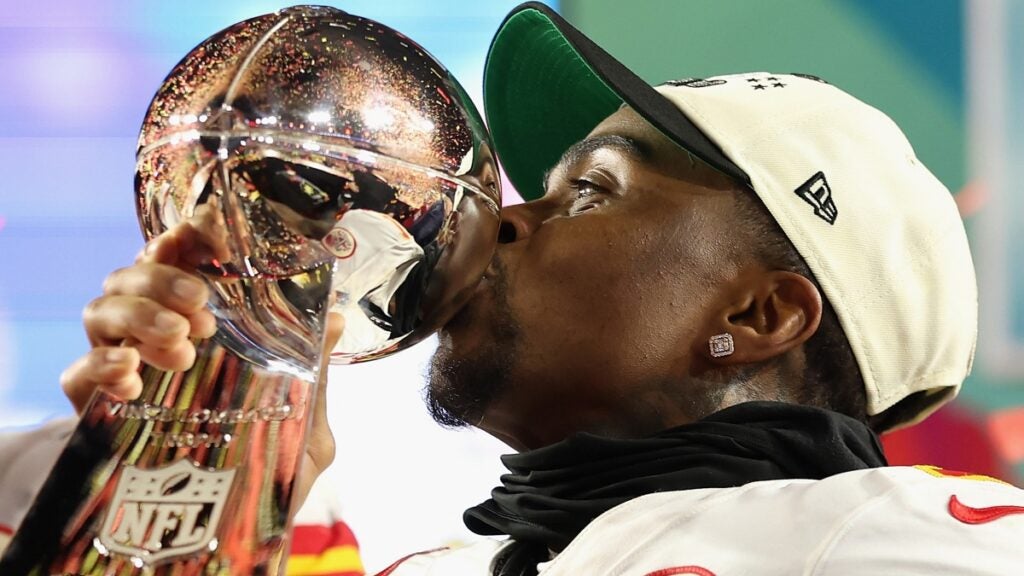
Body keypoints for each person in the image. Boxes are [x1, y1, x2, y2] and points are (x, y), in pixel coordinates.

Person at [55, 3, 1024, 575]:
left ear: (758, 315)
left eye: (590, 193)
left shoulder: (884, 539)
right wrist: (183, 467)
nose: (503, 220)